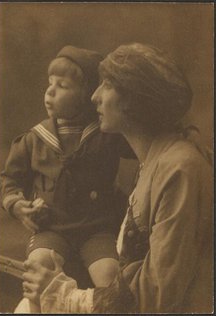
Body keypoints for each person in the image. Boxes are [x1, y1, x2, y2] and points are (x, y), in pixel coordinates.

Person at [22, 43, 213, 313]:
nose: (94, 97)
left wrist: (66, 295)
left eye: (107, 85)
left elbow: (158, 294)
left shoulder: (180, 169)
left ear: (134, 100)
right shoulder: (156, 161)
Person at [0, 45, 135, 313]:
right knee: (38, 270)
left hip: (97, 227)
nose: (50, 91)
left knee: (109, 275)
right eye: (50, 83)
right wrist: (17, 205)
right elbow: (9, 181)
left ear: (87, 95)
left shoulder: (107, 135)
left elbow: (144, 144)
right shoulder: (34, 139)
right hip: (52, 227)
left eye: (62, 85)